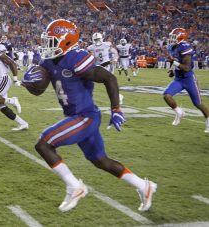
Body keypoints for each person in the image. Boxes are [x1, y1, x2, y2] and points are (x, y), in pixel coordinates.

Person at [25, 19, 157, 212]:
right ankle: (144, 186)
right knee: (100, 161)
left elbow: (109, 78)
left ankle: (75, 186)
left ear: (67, 41)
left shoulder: (76, 58)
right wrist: (31, 83)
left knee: (43, 144)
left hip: (85, 116)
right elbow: (38, 90)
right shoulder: (48, 61)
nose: (47, 45)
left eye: (52, 41)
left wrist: (116, 109)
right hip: (77, 117)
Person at [163, 28, 209, 133]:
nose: (171, 39)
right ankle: (179, 112)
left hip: (189, 79)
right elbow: (175, 61)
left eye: (173, 37)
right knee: (167, 96)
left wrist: (173, 63)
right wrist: (172, 70)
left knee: (198, 104)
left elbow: (187, 67)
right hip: (178, 78)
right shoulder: (172, 47)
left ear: (180, 37)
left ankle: (208, 121)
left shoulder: (185, 47)